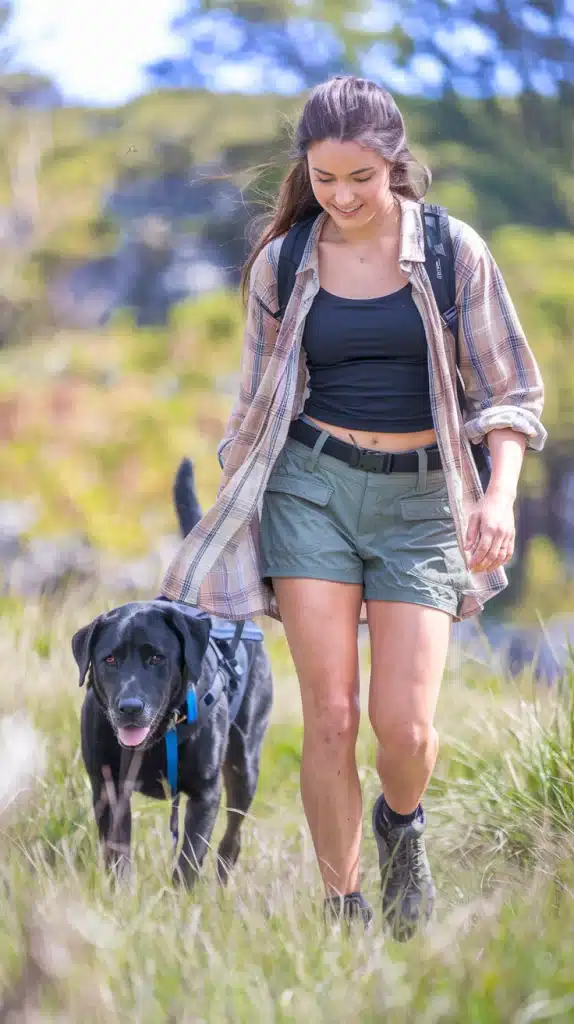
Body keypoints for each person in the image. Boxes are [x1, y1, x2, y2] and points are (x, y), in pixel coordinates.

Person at [161, 75, 547, 940]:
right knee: (329, 716)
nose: (341, 197)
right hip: (312, 490)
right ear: (308, 169)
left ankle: (401, 830)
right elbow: (257, 402)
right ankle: (343, 906)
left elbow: (510, 391)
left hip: (423, 504)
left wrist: (498, 495)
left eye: (361, 180)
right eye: (325, 179)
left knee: (403, 728)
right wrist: (241, 494)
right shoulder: (284, 262)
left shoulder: (454, 252)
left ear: (395, 166)